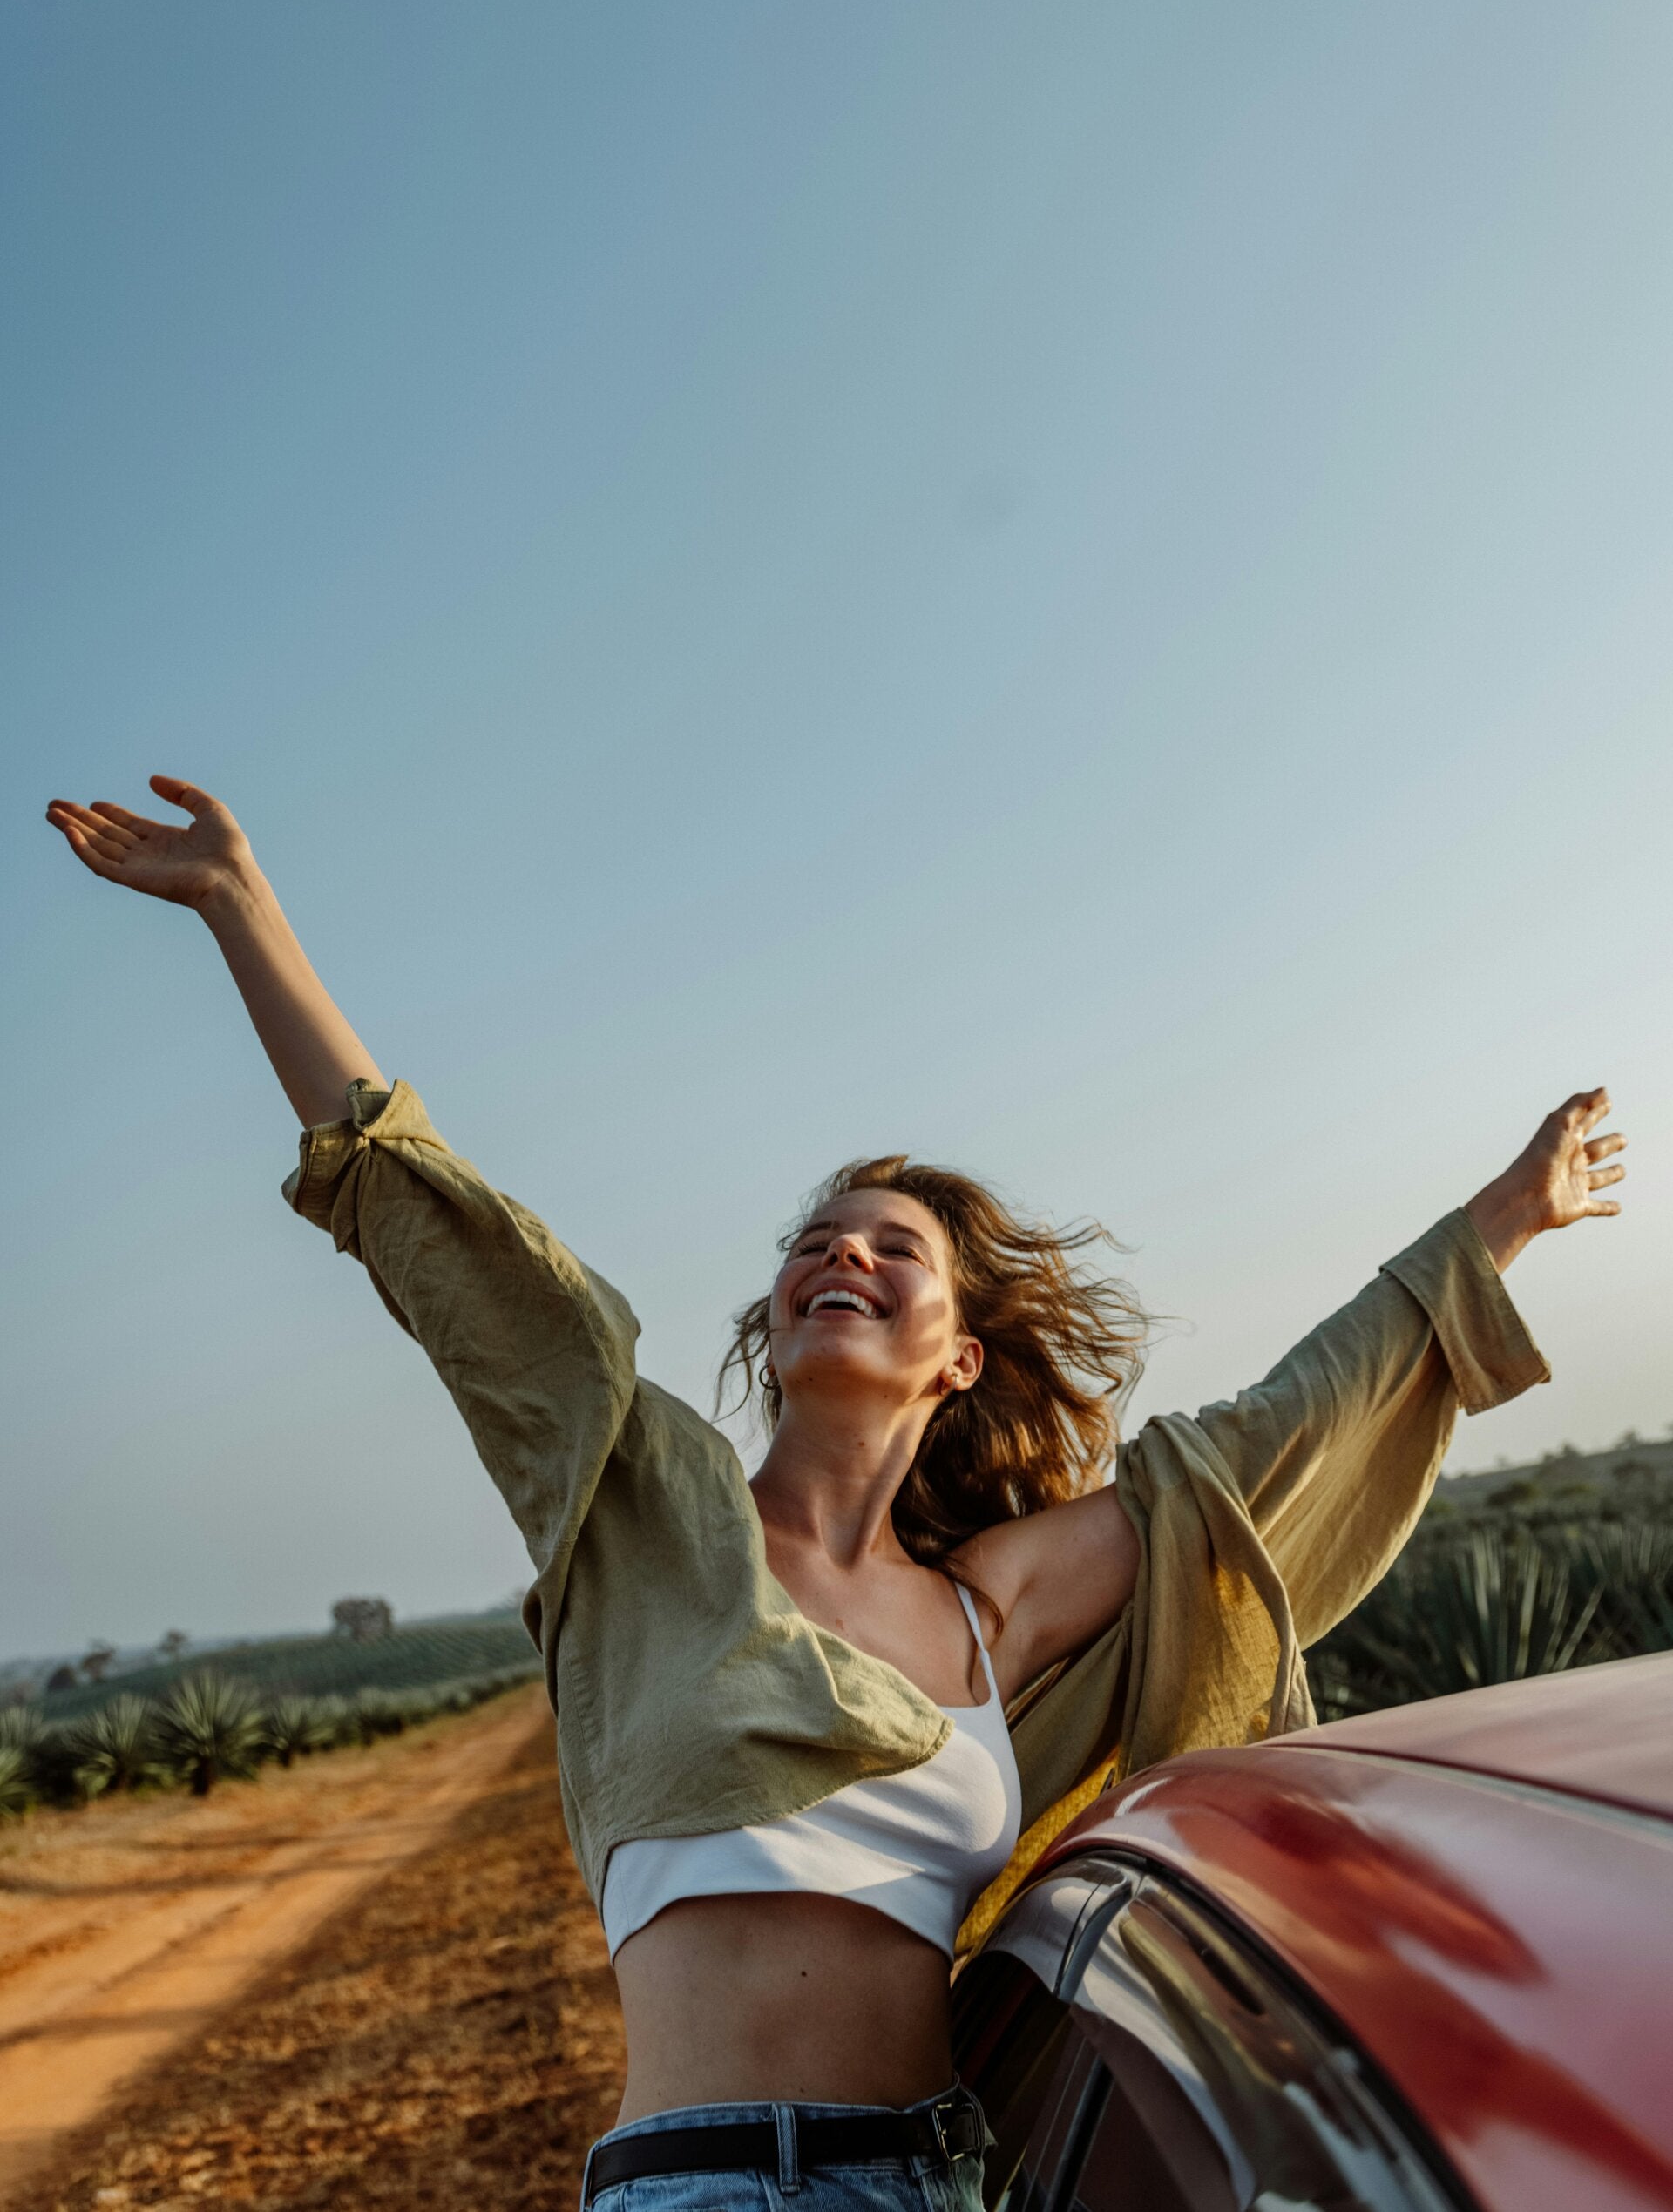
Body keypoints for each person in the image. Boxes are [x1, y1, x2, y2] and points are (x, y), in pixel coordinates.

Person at [46, 775, 1626, 2212]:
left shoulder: (991, 1607)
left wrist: (1498, 1220)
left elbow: (1261, 1447)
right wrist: (242, 907)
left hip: (943, 2181)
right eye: (813, 1241)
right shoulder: (640, 1511)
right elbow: (449, 1233)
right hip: (702, 2185)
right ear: (779, 1319)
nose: (840, 1254)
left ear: (957, 1356)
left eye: (894, 1246)